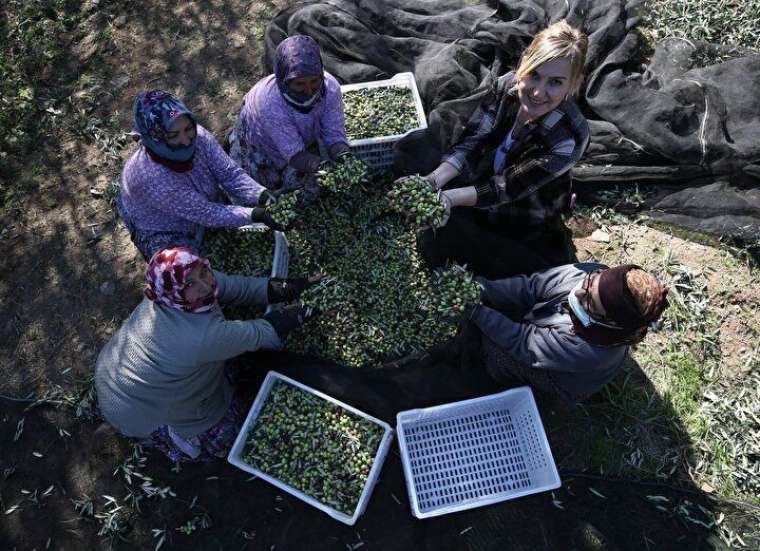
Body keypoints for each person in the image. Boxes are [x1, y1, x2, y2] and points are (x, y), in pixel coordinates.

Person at [398, 20, 590, 278]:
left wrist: (448, 199)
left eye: (555, 82)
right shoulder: (505, 86)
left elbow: (507, 188)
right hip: (485, 173)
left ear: (573, 84)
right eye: (534, 75)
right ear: (524, 64)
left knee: (462, 243)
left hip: (521, 205)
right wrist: (433, 181)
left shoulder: (569, 138)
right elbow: (473, 139)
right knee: (414, 151)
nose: (537, 92)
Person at [94, 246, 318, 462]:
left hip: (123, 373)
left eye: (203, 272)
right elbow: (262, 331)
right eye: (191, 284)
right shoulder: (200, 338)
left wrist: (295, 286)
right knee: (234, 430)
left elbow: (238, 287)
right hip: (137, 412)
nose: (205, 285)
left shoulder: (175, 285)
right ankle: (177, 440)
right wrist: (309, 308)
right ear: (174, 293)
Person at [465, 263, 669, 403]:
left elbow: (521, 341)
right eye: (590, 283)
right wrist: (478, 289)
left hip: (561, 378)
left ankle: (500, 373)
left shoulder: (588, 349)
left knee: (494, 349)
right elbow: (531, 286)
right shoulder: (588, 275)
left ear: (607, 324)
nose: (579, 291)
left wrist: (475, 311)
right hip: (553, 334)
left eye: (591, 303)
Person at [119, 90, 284, 261]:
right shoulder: (152, 178)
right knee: (187, 270)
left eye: (188, 128)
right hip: (165, 225)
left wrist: (261, 194)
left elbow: (229, 174)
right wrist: (254, 215)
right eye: (173, 136)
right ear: (154, 138)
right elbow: (206, 213)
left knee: (236, 238)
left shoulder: (200, 137)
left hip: (199, 199)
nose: (186, 140)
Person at [229, 35, 351, 201]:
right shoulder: (270, 104)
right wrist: (320, 166)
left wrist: (343, 155)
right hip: (263, 138)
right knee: (264, 186)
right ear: (284, 81)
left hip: (294, 131)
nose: (309, 90)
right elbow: (295, 154)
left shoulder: (330, 88)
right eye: (299, 84)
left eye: (314, 81)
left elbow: (333, 132)